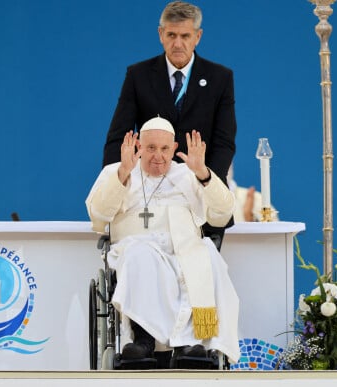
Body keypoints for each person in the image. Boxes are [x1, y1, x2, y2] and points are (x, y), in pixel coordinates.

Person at [86, 116, 240, 367]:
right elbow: (99, 216)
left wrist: (203, 172)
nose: (158, 156)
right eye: (151, 148)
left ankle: (190, 342)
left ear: (174, 148)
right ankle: (143, 340)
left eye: (165, 149)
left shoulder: (189, 175)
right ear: (138, 147)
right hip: (136, 247)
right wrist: (123, 173)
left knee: (205, 256)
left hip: (185, 249)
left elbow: (221, 215)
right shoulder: (118, 171)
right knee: (141, 254)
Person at [102, 1, 237, 242]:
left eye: (185, 36)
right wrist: (114, 188)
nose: (178, 43)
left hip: (199, 201)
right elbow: (118, 138)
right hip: (146, 200)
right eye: (171, 35)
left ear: (198, 36)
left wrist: (206, 186)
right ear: (160, 34)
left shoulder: (220, 78)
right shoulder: (138, 76)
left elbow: (223, 142)